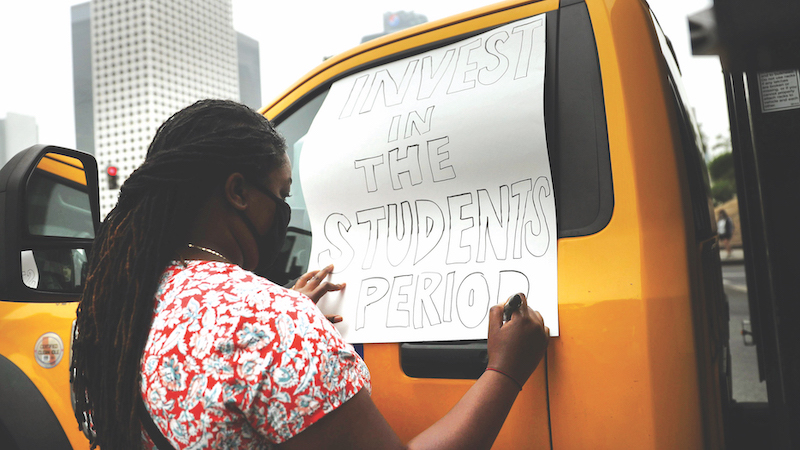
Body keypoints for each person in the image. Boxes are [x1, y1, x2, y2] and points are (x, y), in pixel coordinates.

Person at [70, 99, 550, 450]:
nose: (284, 211)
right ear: (238, 191)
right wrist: (504, 372)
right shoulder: (266, 321)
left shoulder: (113, 303)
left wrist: (282, 315)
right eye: (281, 195)